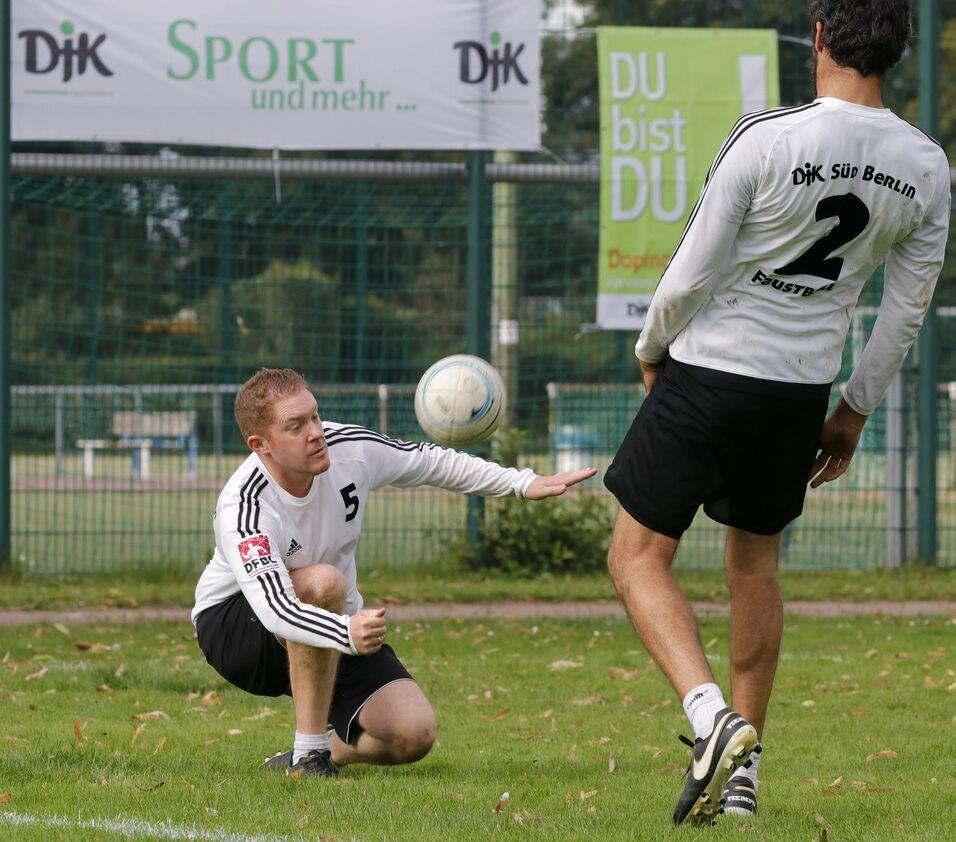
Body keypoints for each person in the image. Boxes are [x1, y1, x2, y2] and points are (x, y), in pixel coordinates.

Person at [603, 0, 950, 826]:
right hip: (799, 394)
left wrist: (652, 346)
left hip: (710, 373)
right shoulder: (927, 165)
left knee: (636, 557)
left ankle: (711, 720)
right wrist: (852, 411)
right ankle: (745, 778)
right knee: (754, 569)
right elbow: (905, 312)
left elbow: (693, 268)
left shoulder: (768, 135)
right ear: (897, 51)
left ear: (820, 37)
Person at [192, 367, 595, 777]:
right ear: (260, 445)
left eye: (314, 416)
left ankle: (330, 749)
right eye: (295, 426)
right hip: (238, 628)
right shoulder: (245, 507)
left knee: (412, 734)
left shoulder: (349, 448)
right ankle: (308, 754)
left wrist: (521, 483)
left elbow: (428, 462)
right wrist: (346, 632)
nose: (315, 433)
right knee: (324, 582)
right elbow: (276, 607)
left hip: (333, 619)